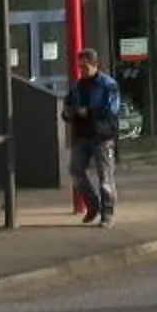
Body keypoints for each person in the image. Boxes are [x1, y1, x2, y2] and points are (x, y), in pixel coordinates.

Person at [62, 49, 122, 226]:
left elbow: (112, 109)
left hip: (103, 135)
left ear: (95, 65)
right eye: (80, 67)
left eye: (85, 67)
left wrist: (89, 112)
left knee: (105, 177)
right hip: (83, 134)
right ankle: (93, 205)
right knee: (75, 171)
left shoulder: (108, 84)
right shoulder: (77, 85)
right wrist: (68, 113)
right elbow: (68, 104)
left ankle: (107, 212)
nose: (82, 71)